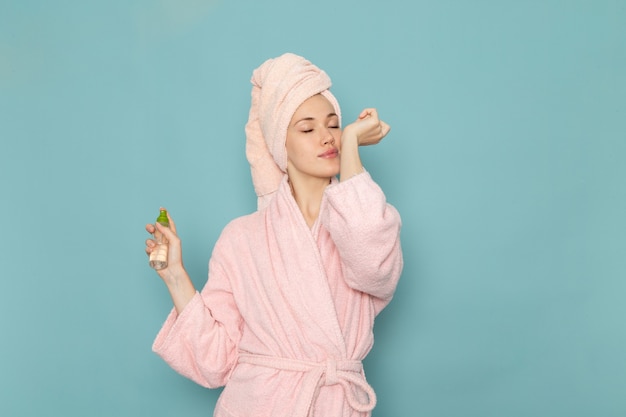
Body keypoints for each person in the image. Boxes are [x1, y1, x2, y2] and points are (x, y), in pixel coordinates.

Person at [144, 52, 403, 417]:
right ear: (281, 143)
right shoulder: (241, 238)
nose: (327, 137)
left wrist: (351, 151)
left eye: (334, 126)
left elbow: (373, 268)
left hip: (336, 403)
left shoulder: (367, 219)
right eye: (307, 128)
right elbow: (215, 361)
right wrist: (175, 276)